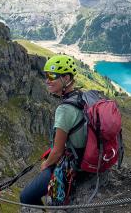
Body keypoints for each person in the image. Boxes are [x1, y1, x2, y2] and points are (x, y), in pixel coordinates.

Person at [20, 54, 84, 206]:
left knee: (26, 197)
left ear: (67, 78)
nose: (47, 80)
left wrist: (46, 164)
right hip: (83, 155)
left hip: (73, 163)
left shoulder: (65, 109)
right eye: (46, 75)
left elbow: (57, 151)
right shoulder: (80, 96)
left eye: (52, 75)